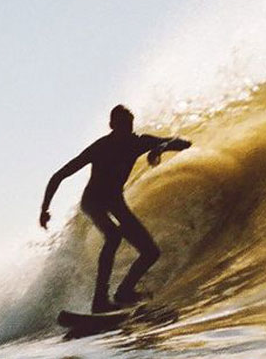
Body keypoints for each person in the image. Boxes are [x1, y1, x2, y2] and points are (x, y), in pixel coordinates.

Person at [40, 105, 191, 313]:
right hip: (93, 201)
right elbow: (59, 175)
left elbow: (184, 143)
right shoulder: (100, 147)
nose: (125, 130)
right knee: (113, 236)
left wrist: (161, 148)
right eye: (121, 126)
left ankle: (124, 292)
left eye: (128, 126)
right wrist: (45, 209)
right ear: (112, 126)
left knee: (150, 252)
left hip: (115, 201)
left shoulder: (138, 142)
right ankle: (100, 300)